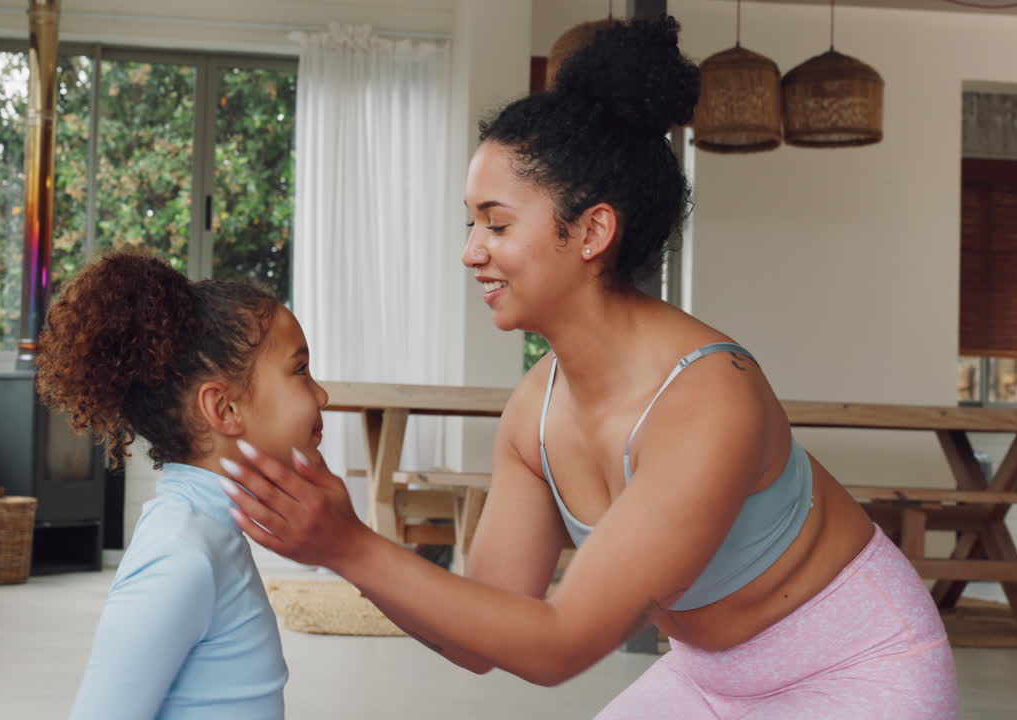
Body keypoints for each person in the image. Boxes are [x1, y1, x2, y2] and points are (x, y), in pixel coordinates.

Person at [217, 16, 958, 719]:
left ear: (593, 230)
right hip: (708, 680)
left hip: (857, 670)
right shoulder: (534, 412)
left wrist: (349, 543)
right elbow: (486, 638)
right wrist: (345, 553)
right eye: (470, 222)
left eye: (497, 223)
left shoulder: (707, 397)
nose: (472, 250)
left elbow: (561, 643)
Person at [35, 249, 329, 719]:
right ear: (225, 409)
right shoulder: (179, 556)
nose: (322, 395)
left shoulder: (210, 534)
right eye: (300, 370)